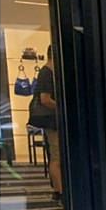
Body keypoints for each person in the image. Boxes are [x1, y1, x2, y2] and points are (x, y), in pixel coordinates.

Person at [28, 44, 62, 201]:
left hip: (51, 119)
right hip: (50, 120)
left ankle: (59, 189)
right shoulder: (47, 73)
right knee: (57, 156)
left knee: (56, 155)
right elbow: (45, 99)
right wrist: (63, 108)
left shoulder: (48, 72)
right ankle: (59, 191)